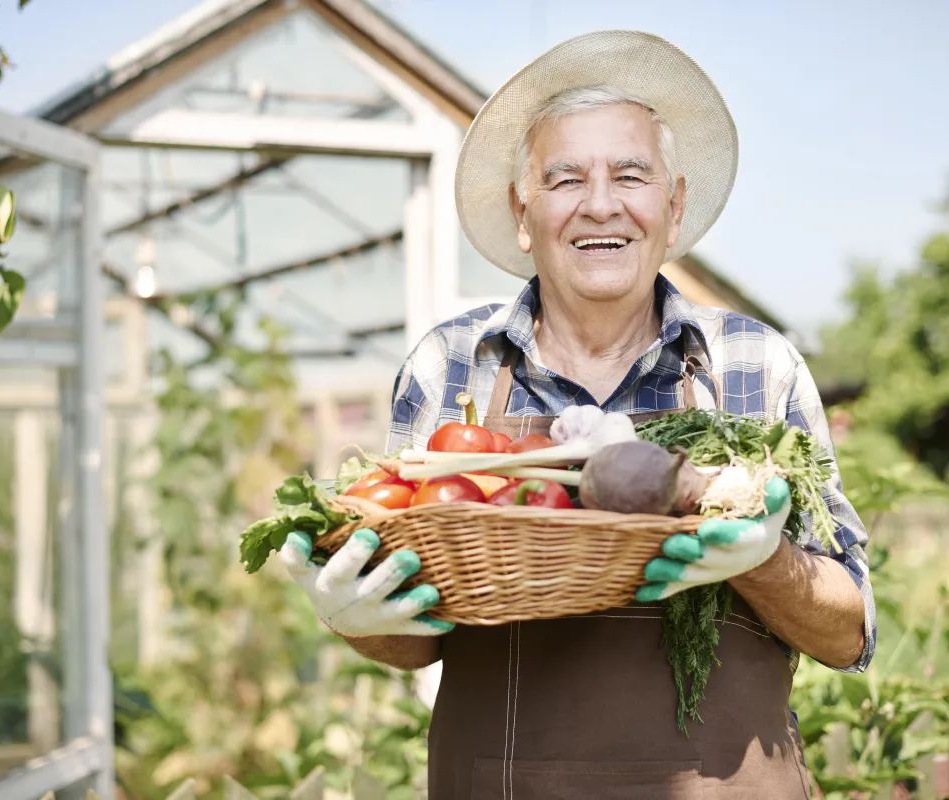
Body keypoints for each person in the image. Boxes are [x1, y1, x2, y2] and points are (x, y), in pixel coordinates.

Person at [279, 30, 876, 798]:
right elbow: (416, 640)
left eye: (630, 174)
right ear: (523, 212)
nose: (600, 204)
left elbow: (849, 630)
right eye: (565, 180)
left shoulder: (754, 366)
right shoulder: (452, 366)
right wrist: (356, 617)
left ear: (673, 203)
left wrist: (767, 560)